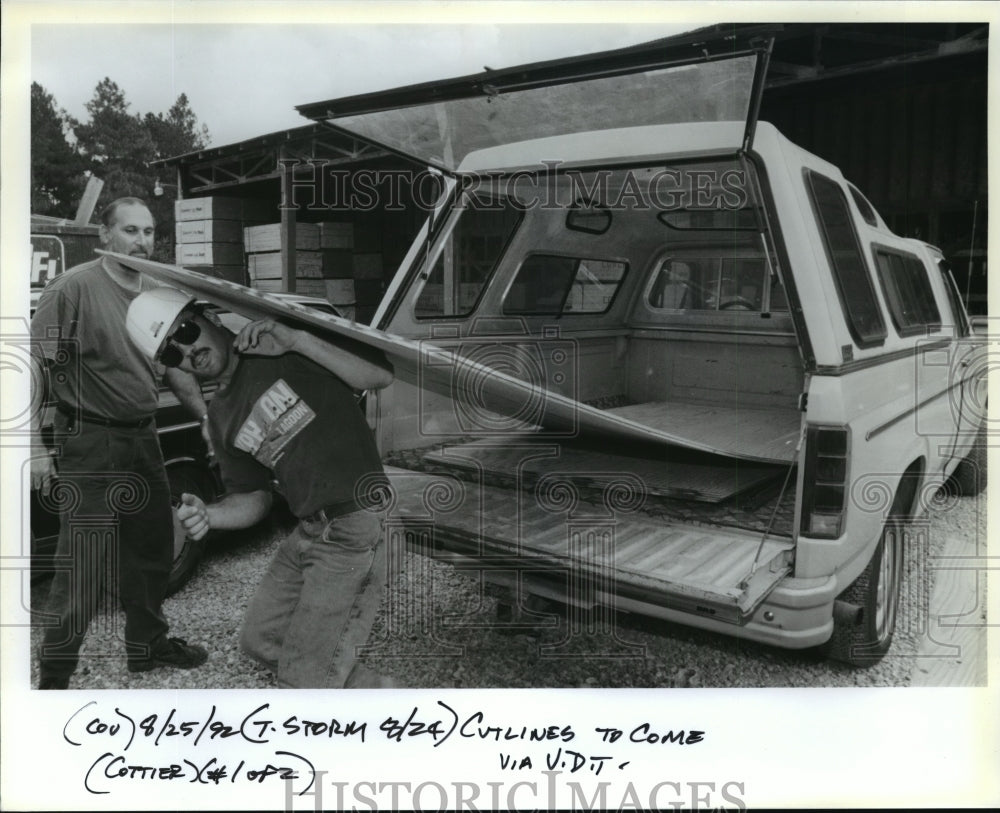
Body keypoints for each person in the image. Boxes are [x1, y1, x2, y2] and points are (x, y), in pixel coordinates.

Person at [125, 286, 397, 688]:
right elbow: (255, 497)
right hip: (310, 530)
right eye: (170, 353)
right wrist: (210, 514)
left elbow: (380, 375)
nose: (187, 352)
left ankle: (339, 692)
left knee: (304, 675)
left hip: (359, 519)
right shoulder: (219, 416)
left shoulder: (281, 346)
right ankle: (372, 695)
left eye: (185, 332)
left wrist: (299, 339)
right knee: (261, 641)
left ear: (210, 318)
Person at [30, 197, 209, 689]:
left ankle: (147, 646)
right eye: (130, 231)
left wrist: (207, 420)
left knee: (152, 548)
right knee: (83, 564)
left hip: (143, 437)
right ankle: (55, 677)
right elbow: (35, 368)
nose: (142, 241)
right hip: (90, 438)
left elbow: (173, 366)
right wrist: (36, 447)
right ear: (105, 236)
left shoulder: (156, 292)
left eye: (149, 231)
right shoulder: (74, 289)